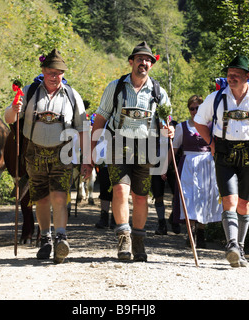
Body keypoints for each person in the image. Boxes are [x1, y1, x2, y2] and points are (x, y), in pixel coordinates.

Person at [82, 41, 174, 262]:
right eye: (140, 59)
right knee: (121, 191)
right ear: (131, 62)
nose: (144, 63)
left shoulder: (158, 92)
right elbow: (101, 120)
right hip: (118, 143)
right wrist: (90, 153)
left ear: (152, 64)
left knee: (141, 197)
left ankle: (139, 239)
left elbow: (166, 121)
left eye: (148, 60)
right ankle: (124, 237)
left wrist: (168, 129)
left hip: (145, 146)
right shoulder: (116, 87)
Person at [194, 55, 249, 267]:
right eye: (229, 74)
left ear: (247, 77)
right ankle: (231, 244)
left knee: (243, 204)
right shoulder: (216, 98)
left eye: (236, 75)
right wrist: (211, 143)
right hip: (224, 154)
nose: (231, 77)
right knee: (229, 200)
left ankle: (239, 247)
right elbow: (199, 122)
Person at [4, 49, 86, 264]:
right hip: (34, 153)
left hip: (63, 153)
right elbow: (10, 118)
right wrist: (14, 108)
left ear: (63, 74)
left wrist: (87, 158)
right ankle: (46, 239)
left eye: (58, 72)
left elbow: (83, 128)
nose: (54, 76)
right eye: (50, 71)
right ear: (43, 71)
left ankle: (61, 238)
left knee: (59, 196)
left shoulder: (72, 95)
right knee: (40, 198)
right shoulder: (29, 92)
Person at [172, 95, 222, 248]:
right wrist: (163, 168)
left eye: (197, 108)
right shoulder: (182, 127)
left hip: (207, 164)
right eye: (191, 108)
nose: (194, 111)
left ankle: (201, 232)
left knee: (205, 198)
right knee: (189, 197)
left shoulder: (212, 126)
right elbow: (174, 149)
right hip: (188, 164)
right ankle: (191, 232)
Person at [152, 119, 177, 235]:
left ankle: (175, 217)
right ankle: (162, 223)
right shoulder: (151, 126)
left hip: (172, 165)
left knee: (176, 194)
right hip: (155, 164)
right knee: (158, 195)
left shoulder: (173, 126)